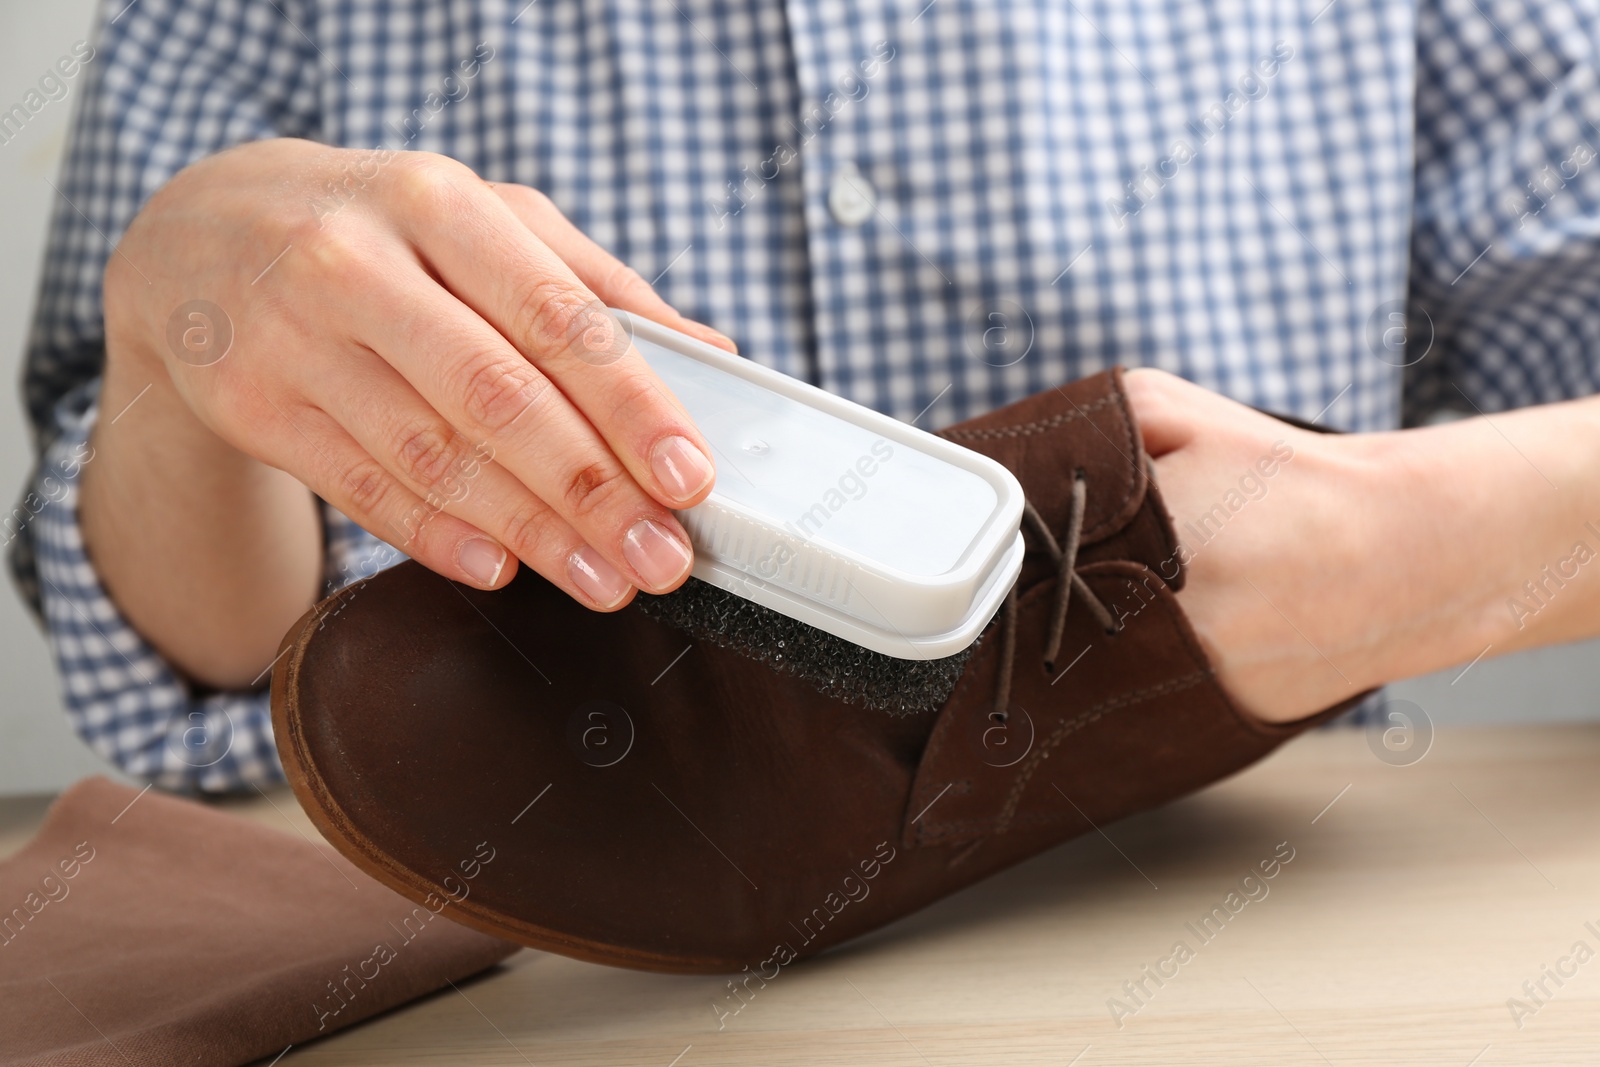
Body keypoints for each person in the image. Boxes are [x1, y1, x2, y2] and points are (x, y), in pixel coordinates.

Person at [11, 0, 1600, 793]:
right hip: (528, 964)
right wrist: (169, 342)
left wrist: (1391, 543)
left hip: (1255, 930)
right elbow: (205, 668)